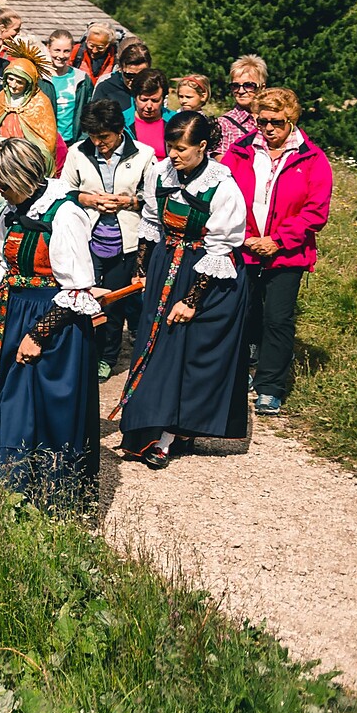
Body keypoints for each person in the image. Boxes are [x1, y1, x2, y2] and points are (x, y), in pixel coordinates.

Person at [0, 137, 102, 506]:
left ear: (24, 177)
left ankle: (35, 496)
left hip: (52, 322)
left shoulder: (64, 214)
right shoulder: (12, 207)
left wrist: (38, 334)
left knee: (30, 406)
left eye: (3, 184)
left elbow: (78, 287)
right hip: (11, 312)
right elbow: (6, 258)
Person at [117, 112, 251, 469]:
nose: (173, 155)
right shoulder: (160, 173)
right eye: (170, 147)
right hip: (165, 267)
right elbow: (149, 222)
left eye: (181, 149)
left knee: (179, 352)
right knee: (153, 344)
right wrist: (142, 271)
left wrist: (191, 301)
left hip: (203, 273)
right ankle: (146, 427)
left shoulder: (222, 186)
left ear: (203, 147)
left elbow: (222, 247)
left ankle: (166, 436)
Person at [224, 88, 333, 417]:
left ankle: (270, 387)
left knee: (277, 319)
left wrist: (278, 239)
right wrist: (243, 236)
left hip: (287, 253)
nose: (269, 128)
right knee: (240, 313)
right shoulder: (240, 151)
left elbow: (316, 212)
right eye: (262, 121)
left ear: (292, 120)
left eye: (276, 122)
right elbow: (225, 194)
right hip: (244, 247)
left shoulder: (312, 158)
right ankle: (237, 373)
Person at [59, 97, 156, 381]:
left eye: (105, 137)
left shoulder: (144, 154)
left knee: (113, 302)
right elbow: (65, 191)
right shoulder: (78, 152)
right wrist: (88, 199)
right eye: (94, 137)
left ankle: (107, 356)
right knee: (84, 297)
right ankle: (84, 351)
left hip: (126, 238)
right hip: (88, 236)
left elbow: (152, 198)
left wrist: (127, 202)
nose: (100, 144)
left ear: (120, 130)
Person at [0, 38, 63, 172]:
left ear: (29, 83)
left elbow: (47, 139)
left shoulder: (40, 101)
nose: (13, 85)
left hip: (27, 156)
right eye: (10, 79)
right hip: (4, 154)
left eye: (19, 82)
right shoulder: (2, 96)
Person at [45, 30, 94, 143]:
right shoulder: (39, 78)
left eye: (66, 51)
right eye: (57, 50)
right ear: (48, 48)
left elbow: (89, 112)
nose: (61, 56)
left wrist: (83, 141)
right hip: (45, 143)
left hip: (72, 143)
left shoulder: (81, 79)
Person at [215, 54, 267, 158]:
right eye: (235, 86)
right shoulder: (224, 124)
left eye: (248, 85)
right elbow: (220, 161)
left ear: (262, 87)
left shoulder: (272, 119)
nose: (241, 91)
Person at [92, 39, 151, 121]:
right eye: (129, 75)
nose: (134, 81)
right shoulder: (105, 88)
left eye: (141, 75)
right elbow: (94, 123)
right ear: (120, 68)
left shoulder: (155, 87)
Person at [127, 67, 174, 156]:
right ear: (135, 98)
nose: (149, 106)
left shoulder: (175, 121)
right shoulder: (122, 122)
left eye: (155, 100)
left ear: (163, 99)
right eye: (144, 100)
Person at [76, 22, 119, 87]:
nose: (94, 51)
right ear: (86, 40)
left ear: (108, 44)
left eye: (100, 48)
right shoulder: (76, 51)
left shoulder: (115, 57)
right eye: (91, 46)